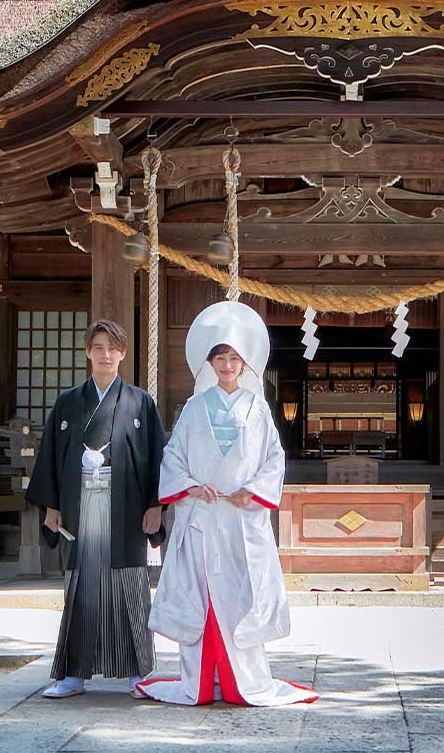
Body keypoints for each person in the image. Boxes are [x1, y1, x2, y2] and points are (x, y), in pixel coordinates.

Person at [135, 300, 318, 707]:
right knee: (200, 596)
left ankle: (243, 681)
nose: (227, 364)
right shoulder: (194, 408)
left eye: (234, 357)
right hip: (201, 515)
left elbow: (274, 458)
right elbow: (173, 457)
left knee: (242, 597)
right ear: (210, 363)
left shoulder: (259, 409)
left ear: (245, 363)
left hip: (241, 517)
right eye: (220, 357)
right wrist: (192, 487)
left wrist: (251, 491)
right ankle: (198, 680)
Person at [24, 318, 167, 698]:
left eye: (113, 348)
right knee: (81, 587)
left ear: (123, 353)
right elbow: (51, 457)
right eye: (98, 347)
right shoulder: (69, 402)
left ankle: (138, 671)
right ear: (88, 352)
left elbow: (156, 459)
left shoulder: (140, 402)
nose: (106, 355)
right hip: (79, 503)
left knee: (130, 587)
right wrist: (51, 505)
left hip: (127, 508)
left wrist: (155, 505)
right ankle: (74, 675)